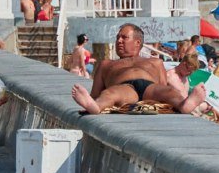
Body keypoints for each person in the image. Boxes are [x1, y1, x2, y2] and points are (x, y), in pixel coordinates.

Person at [70, 24, 207, 115]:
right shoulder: (106, 64)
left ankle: (184, 104)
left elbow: (163, 86)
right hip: (124, 87)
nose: (119, 41)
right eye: (118, 38)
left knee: (169, 91)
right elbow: (96, 93)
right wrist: (92, 99)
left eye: (124, 38)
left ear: (137, 43)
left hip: (150, 88)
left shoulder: (155, 62)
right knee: (110, 93)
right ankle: (95, 107)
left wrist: (165, 95)